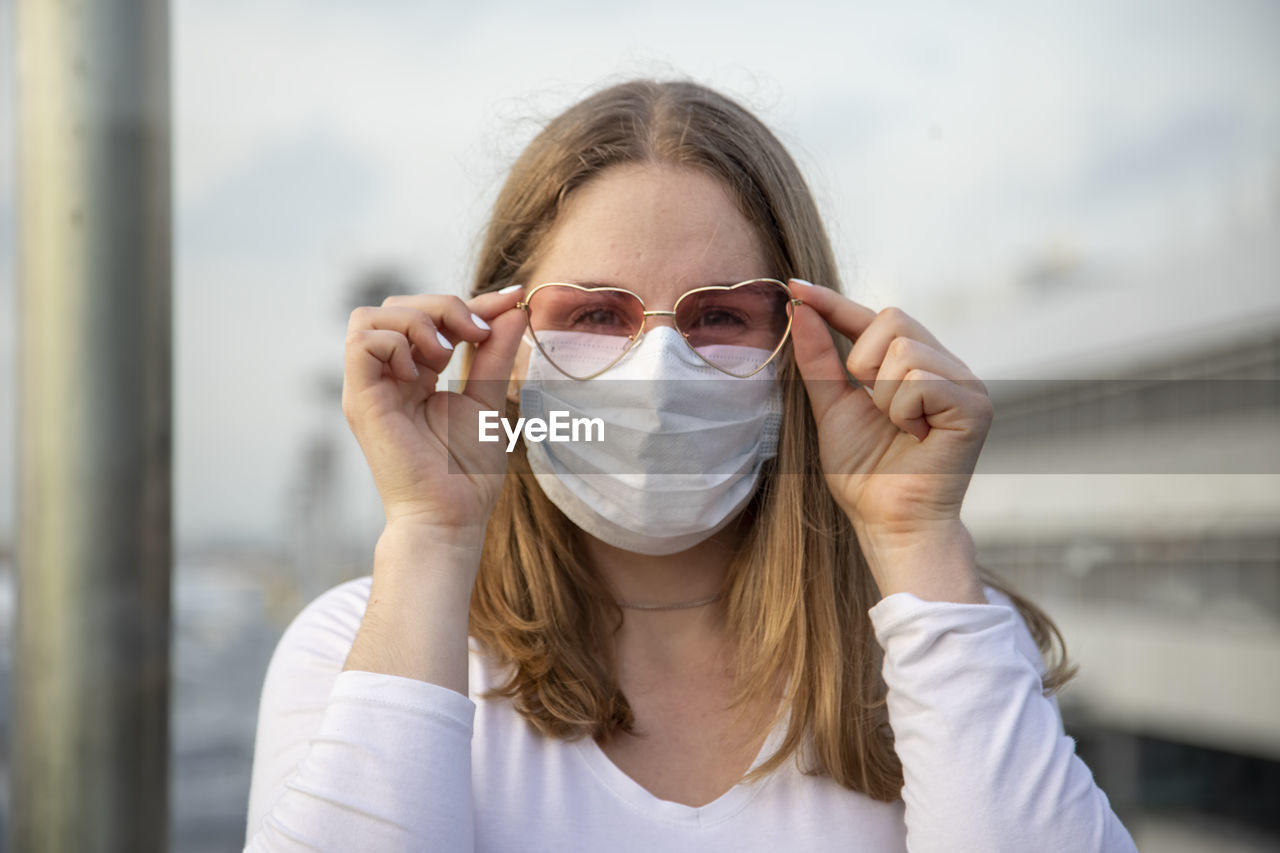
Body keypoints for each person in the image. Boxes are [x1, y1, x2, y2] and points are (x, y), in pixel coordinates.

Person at [244, 79, 1138, 851]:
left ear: (801, 348)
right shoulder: (359, 647)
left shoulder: (932, 638)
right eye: (596, 315)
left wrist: (917, 538)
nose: (659, 372)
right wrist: (433, 537)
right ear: (502, 344)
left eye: (718, 316)